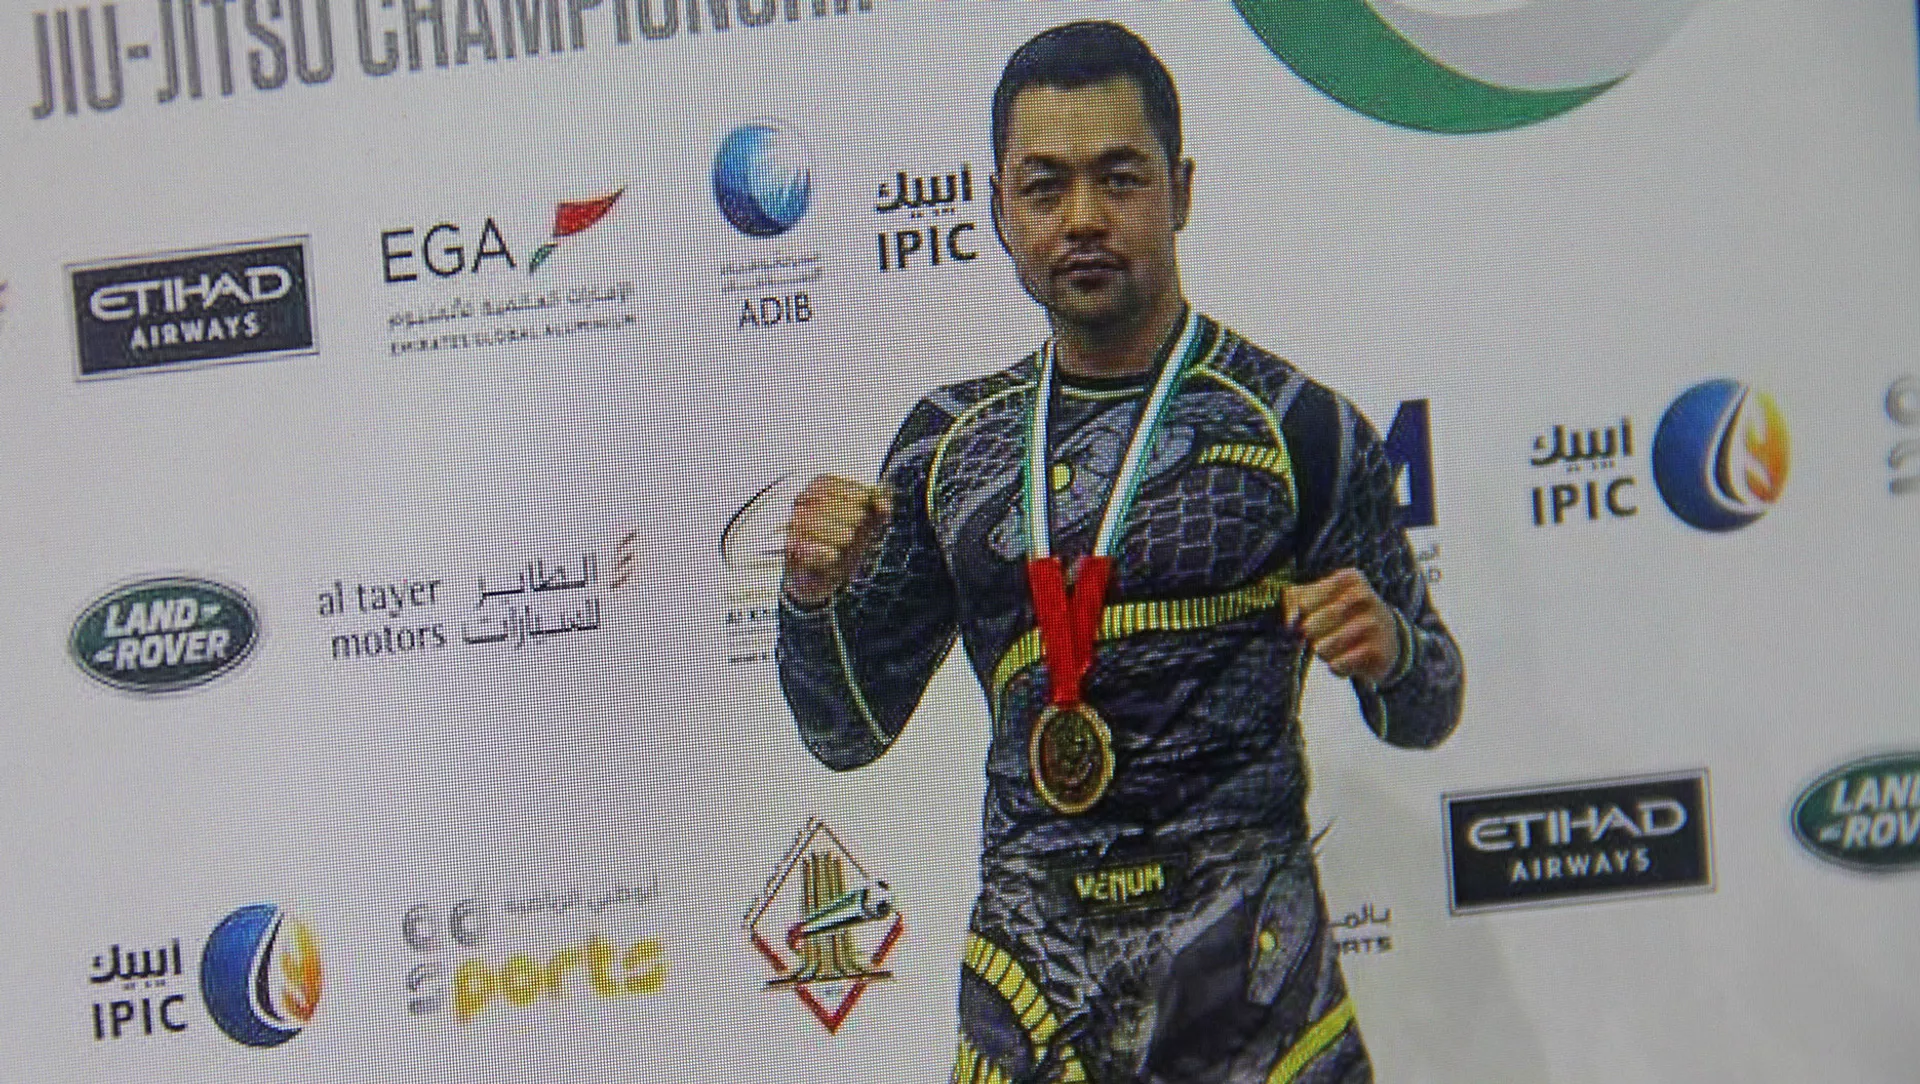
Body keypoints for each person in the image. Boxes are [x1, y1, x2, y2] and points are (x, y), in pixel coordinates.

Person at [776, 20, 1463, 1084]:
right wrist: (811, 598)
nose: (1084, 218)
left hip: (1252, 995)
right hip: (1032, 992)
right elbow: (846, 731)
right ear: (999, 209)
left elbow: (1428, 705)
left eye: (1120, 178)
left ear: (1179, 191)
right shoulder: (947, 446)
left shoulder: (1298, 426)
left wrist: (1393, 651)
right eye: (1046, 187)